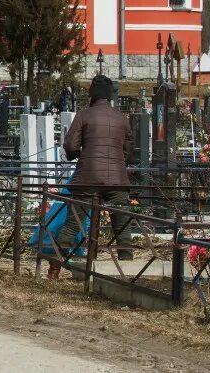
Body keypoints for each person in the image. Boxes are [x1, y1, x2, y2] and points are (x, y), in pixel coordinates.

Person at [48, 74, 134, 279]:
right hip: (117, 181)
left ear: (92, 94)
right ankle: (128, 272)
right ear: (110, 96)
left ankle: (54, 270)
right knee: (122, 224)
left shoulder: (84, 116)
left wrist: (81, 154)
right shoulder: (122, 118)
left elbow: (70, 146)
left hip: (87, 178)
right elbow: (128, 152)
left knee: (72, 223)